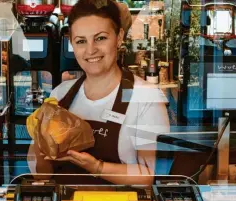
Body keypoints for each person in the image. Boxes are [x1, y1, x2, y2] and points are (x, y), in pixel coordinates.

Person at [27, 0, 170, 186]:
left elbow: (149, 176)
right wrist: (41, 138)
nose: (90, 50)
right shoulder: (61, 95)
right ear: (72, 44)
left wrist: (97, 167)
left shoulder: (145, 98)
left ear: (119, 37)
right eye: (81, 41)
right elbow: (42, 176)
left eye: (100, 38)